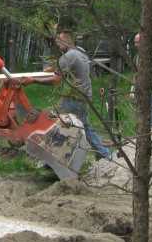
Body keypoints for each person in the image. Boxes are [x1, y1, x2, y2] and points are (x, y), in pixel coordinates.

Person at [42, 29, 111, 160]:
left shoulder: (69, 56)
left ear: (65, 41)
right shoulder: (80, 51)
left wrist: (31, 80)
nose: (58, 45)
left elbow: (56, 80)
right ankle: (104, 154)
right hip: (84, 95)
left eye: (59, 42)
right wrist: (53, 68)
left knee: (56, 122)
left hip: (74, 97)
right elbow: (63, 66)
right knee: (86, 127)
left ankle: (54, 158)